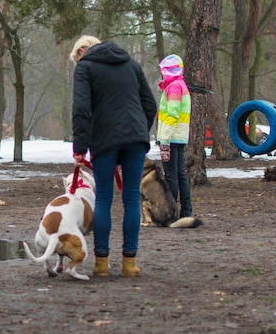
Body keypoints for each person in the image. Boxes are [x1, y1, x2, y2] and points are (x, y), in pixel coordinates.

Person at [70, 35, 157, 278]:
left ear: (83, 50)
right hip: (136, 139)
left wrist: (80, 147)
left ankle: (101, 264)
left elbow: (81, 109)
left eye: (76, 57)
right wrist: (139, 129)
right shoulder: (131, 65)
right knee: (130, 198)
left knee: (105, 199)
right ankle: (129, 265)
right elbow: (150, 105)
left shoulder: (85, 68)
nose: (77, 62)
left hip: (104, 139)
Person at [156, 54, 192, 218]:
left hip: (171, 137)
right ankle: (186, 210)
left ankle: (171, 212)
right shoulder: (181, 85)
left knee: (171, 176)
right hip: (180, 136)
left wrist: (164, 140)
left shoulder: (173, 88)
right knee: (180, 175)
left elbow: (172, 115)